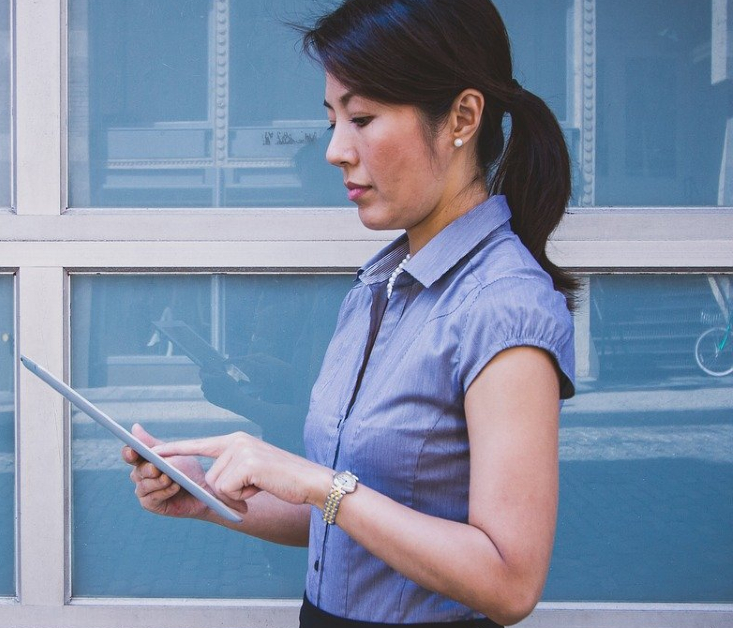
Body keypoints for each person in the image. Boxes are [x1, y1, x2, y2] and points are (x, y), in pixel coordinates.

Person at [123, 0, 577, 626]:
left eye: (362, 117)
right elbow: (348, 521)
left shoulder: (504, 305)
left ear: (462, 117)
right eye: (333, 118)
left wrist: (315, 482)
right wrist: (207, 494)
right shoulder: (379, 282)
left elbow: (509, 583)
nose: (336, 149)